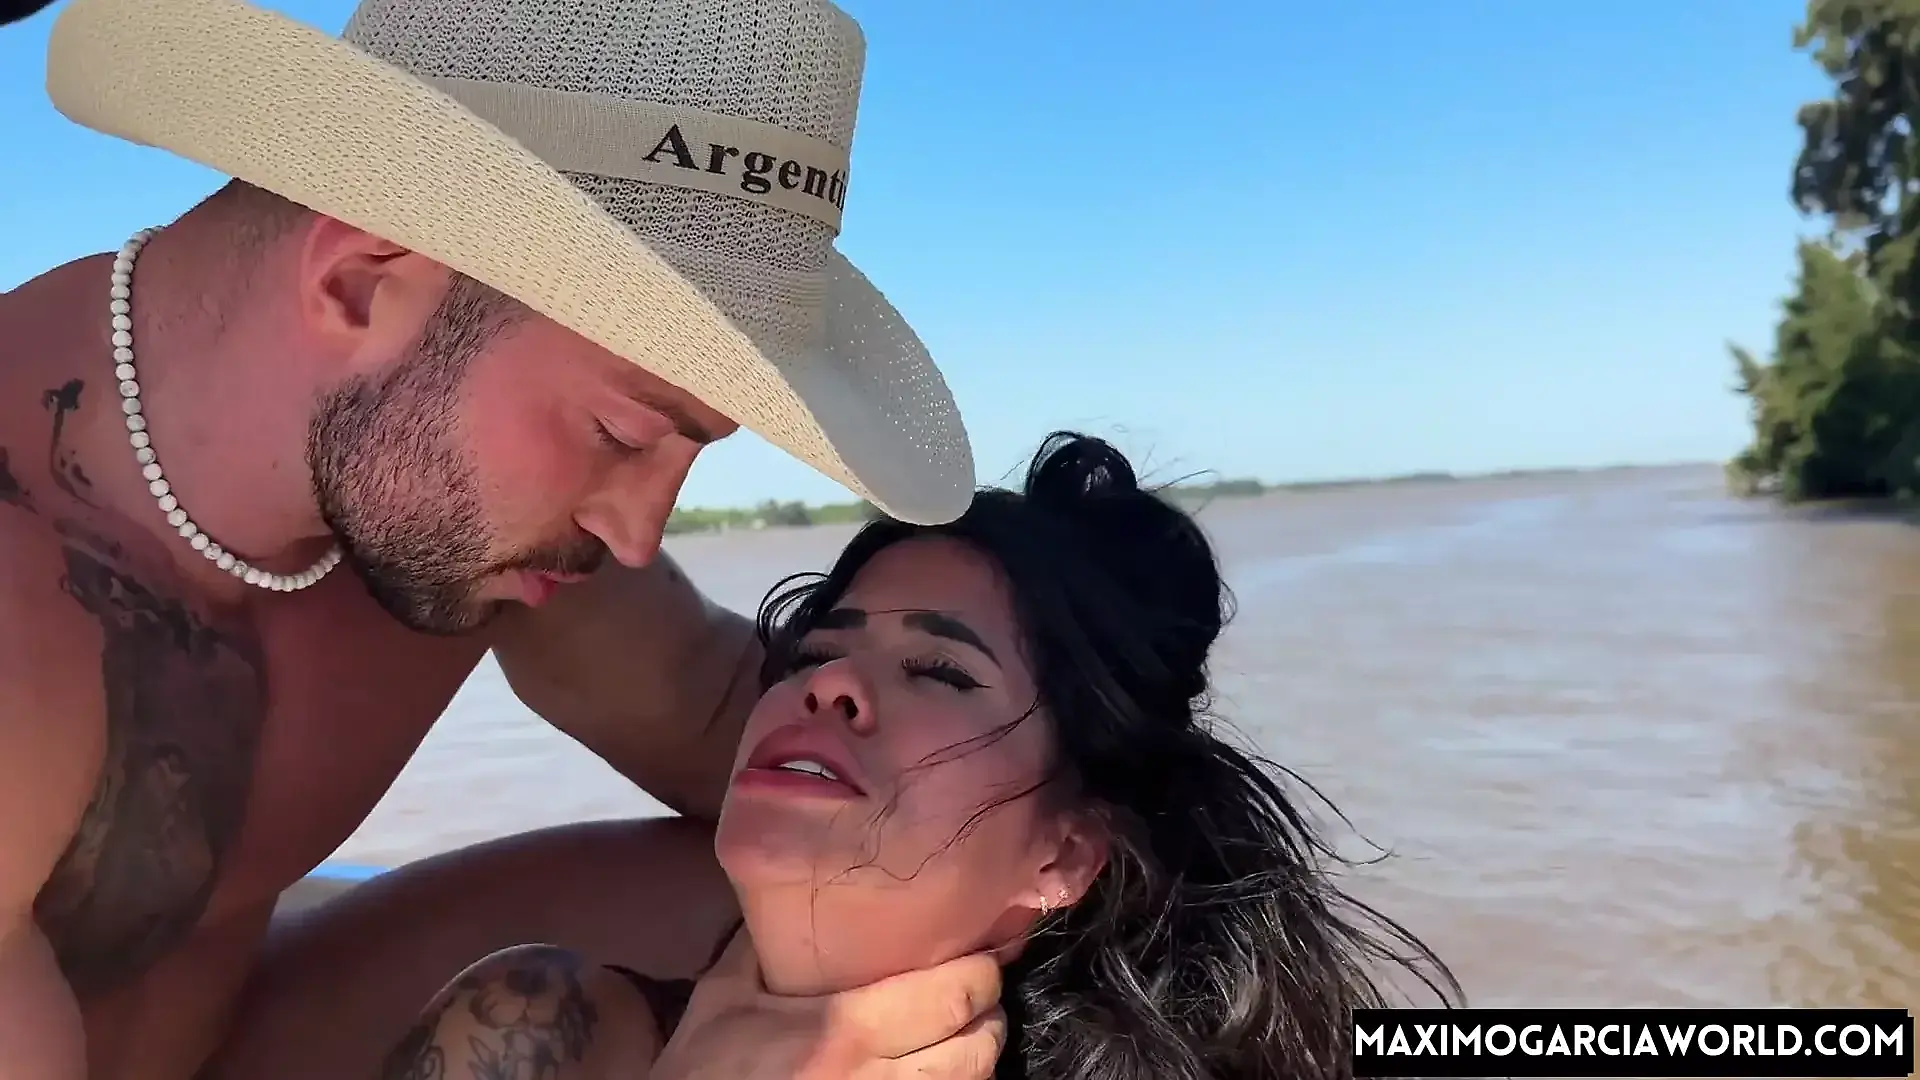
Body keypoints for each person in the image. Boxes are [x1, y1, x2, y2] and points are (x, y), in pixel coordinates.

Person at [0, 0, 997, 1076]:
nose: (634, 533)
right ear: (361, 281)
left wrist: (1080, 827)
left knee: (863, 882)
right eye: (623, 433)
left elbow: (715, 708)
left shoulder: (433, 504)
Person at [359, 433, 1462, 1080]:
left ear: (1066, 856)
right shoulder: (534, 1030)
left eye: (940, 671)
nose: (828, 683)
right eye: (817, 652)